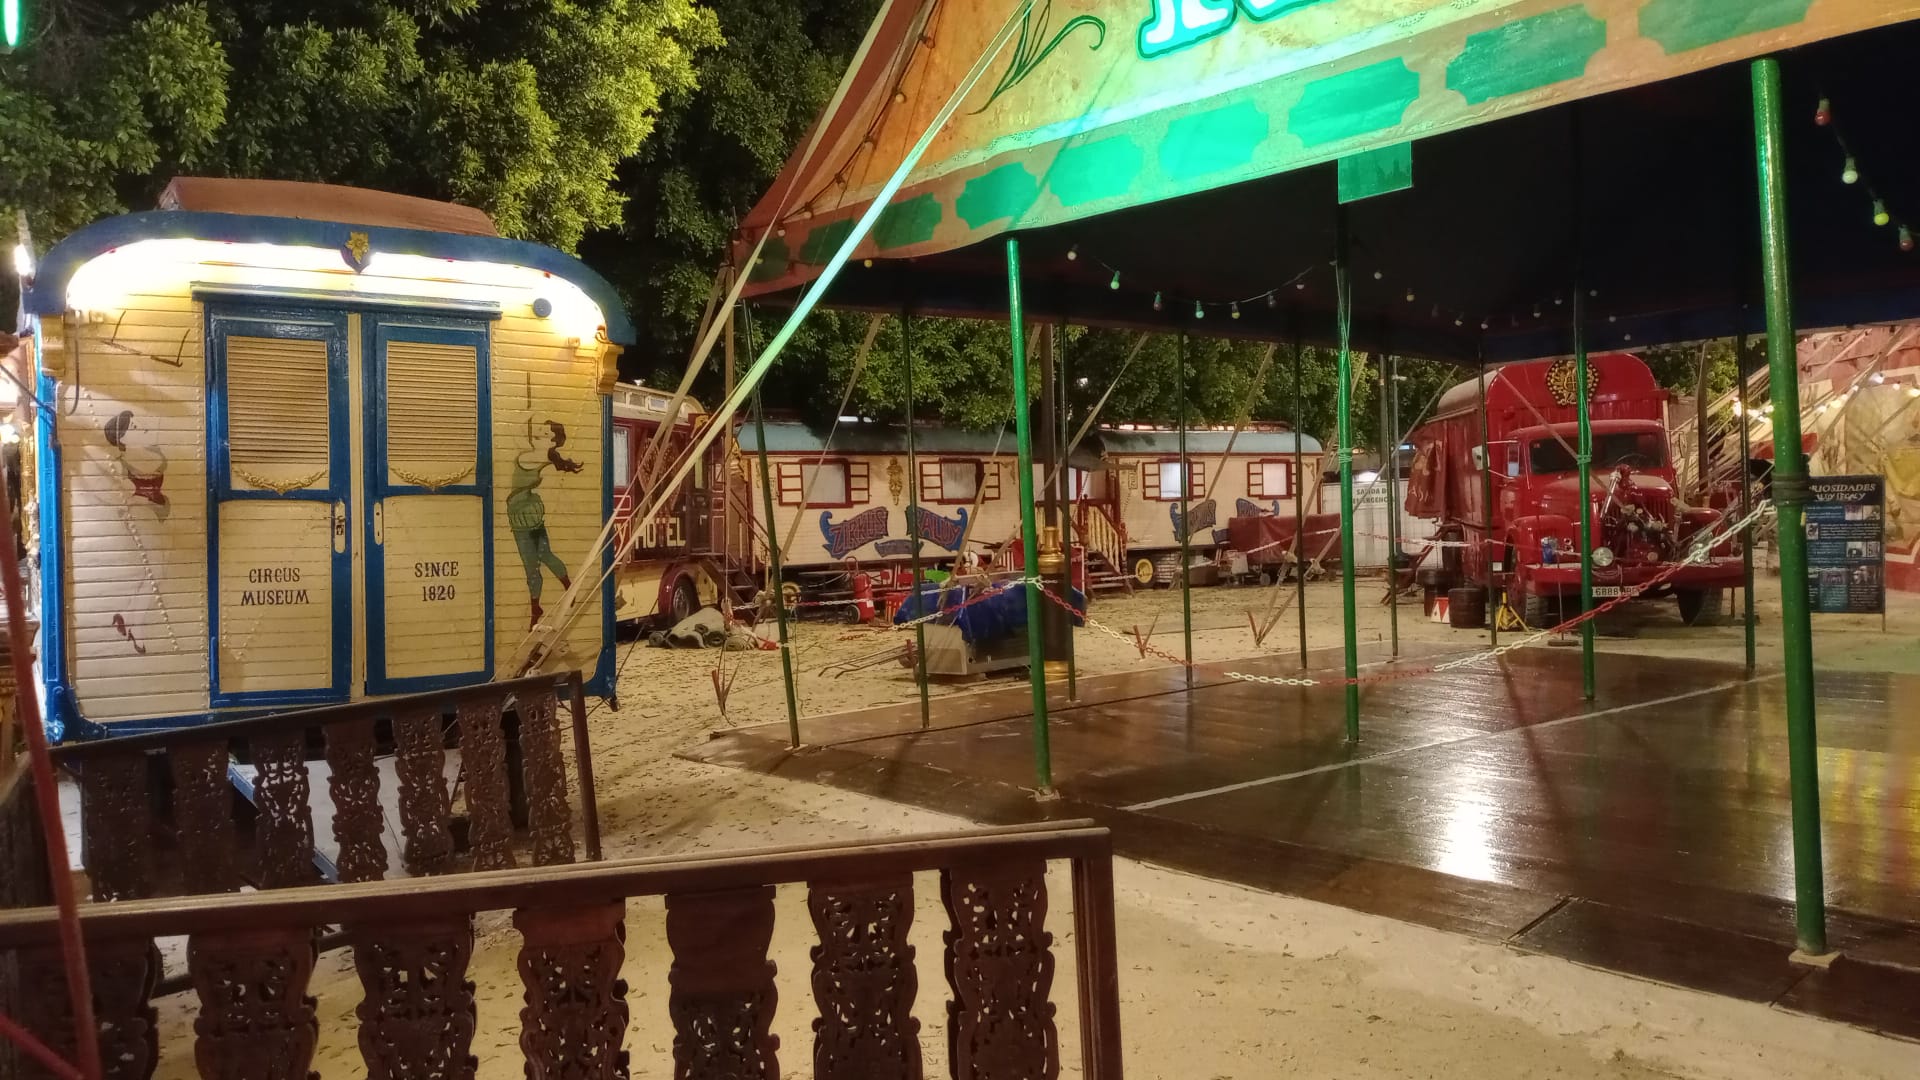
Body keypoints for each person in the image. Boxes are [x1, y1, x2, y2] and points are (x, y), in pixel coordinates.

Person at [510, 418, 583, 628]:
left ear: (552, 442)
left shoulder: (544, 465)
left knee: (544, 556)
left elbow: (551, 494)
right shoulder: (528, 456)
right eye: (538, 430)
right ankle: (536, 607)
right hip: (518, 522)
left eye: (543, 434)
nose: (537, 434)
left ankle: (568, 588)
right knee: (531, 567)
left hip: (530, 521)